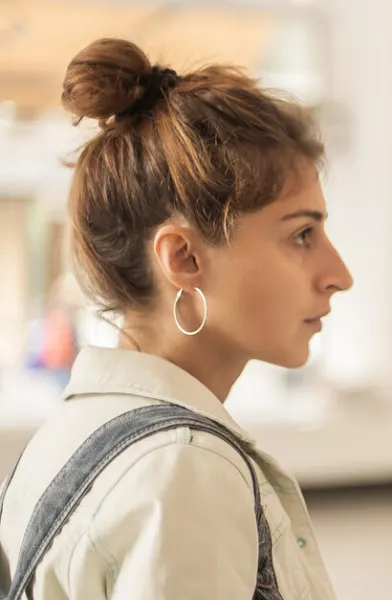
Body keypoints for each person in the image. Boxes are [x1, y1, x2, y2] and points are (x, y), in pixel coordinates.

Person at [0, 38, 352, 599]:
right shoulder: (184, 466)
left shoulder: (65, 434)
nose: (339, 274)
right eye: (302, 234)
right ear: (184, 258)